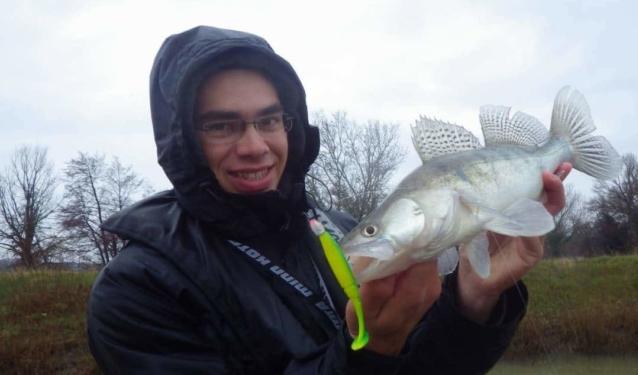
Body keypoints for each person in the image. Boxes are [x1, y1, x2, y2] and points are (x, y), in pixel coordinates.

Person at [87, 25, 571, 374]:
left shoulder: (337, 229)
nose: (255, 145)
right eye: (222, 125)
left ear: (291, 125)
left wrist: (474, 299)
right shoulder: (137, 291)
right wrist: (372, 350)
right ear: (182, 140)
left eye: (270, 120)